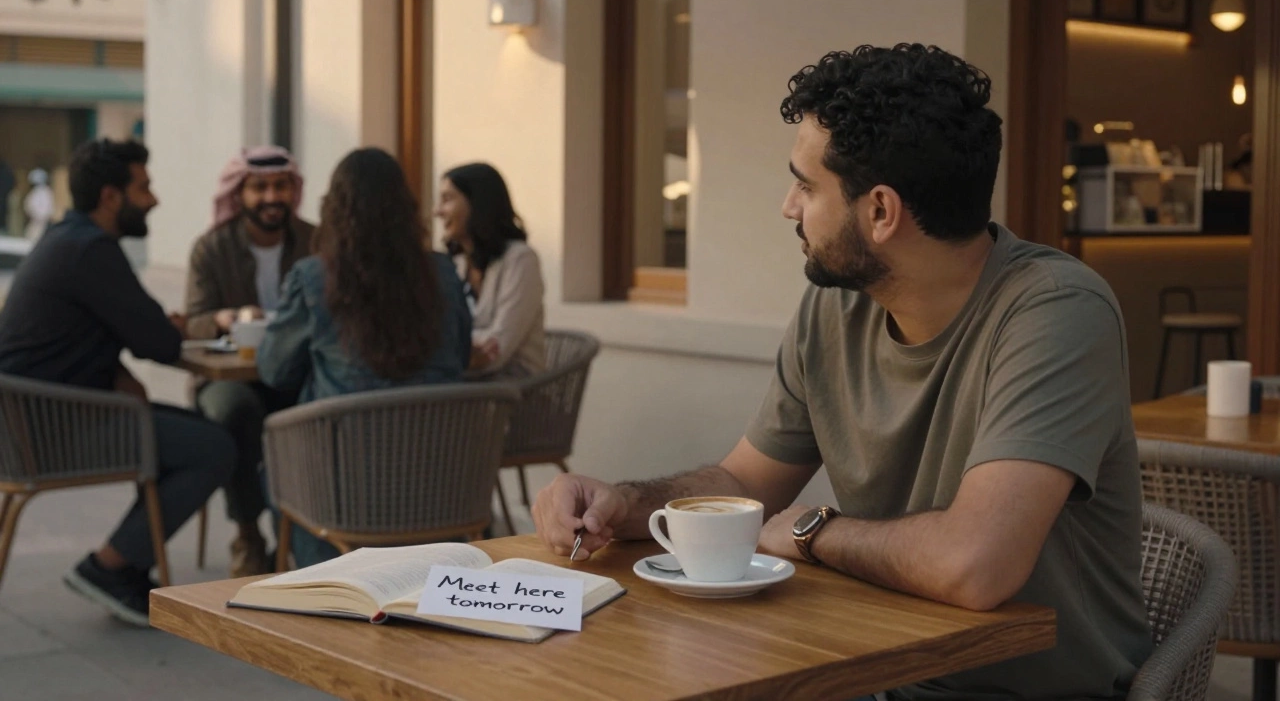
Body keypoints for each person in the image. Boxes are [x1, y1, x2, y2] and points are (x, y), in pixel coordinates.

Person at [532, 44, 1152, 700]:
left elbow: (977, 566)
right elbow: (744, 482)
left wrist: (814, 532)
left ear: (880, 212)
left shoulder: (1055, 313)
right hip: (880, 672)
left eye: (806, 185)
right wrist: (624, 505)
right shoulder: (835, 305)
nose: (788, 208)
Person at [0, 139, 234, 627]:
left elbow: (125, 331)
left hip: (30, 423)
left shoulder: (68, 239)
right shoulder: (91, 251)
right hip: (54, 429)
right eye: (144, 188)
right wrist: (166, 332)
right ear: (111, 197)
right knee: (212, 445)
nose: (154, 200)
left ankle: (121, 562)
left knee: (192, 433)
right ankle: (111, 566)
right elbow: (158, 342)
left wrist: (128, 360)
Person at [257, 148, 472, 567]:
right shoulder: (443, 274)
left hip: (340, 490)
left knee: (273, 462)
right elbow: (460, 360)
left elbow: (274, 370)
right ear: (406, 209)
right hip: (440, 487)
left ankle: (306, 577)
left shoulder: (313, 277)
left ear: (333, 210)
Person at [184, 146, 314, 577]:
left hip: (294, 371)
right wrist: (225, 319)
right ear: (239, 194)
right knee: (235, 411)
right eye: (259, 187)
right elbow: (194, 321)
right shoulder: (212, 247)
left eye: (280, 186)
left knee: (320, 405)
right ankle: (248, 534)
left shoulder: (315, 241)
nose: (271, 197)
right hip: (229, 377)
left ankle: (298, 531)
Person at [436, 162, 545, 379]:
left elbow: (498, 350)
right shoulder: (454, 265)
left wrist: (446, 348)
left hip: (516, 397)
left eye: (447, 199)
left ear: (477, 204)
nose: (437, 211)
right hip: (461, 391)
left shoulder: (520, 260)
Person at [22, 167, 55, 240]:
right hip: (36, 224)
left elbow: (46, 211)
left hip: (40, 225)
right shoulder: (43, 192)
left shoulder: (43, 192)